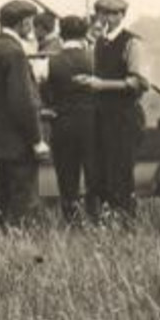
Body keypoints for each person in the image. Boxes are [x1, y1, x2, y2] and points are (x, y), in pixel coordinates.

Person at [0, 0, 49, 228]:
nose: (32, 27)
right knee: (24, 198)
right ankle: (18, 249)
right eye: (31, 23)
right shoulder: (14, 52)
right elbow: (23, 102)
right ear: (24, 23)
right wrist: (37, 140)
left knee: (1, 194)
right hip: (18, 141)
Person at [77, 0, 149, 219]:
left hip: (124, 118)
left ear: (121, 15)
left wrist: (101, 85)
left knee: (121, 172)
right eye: (102, 13)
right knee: (100, 172)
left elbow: (139, 82)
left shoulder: (132, 43)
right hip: (100, 117)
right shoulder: (98, 43)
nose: (106, 18)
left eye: (111, 13)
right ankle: (107, 221)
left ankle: (125, 221)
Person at [42, 15, 99, 222]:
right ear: (85, 34)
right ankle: (96, 218)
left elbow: (44, 93)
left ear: (60, 34)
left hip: (63, 124)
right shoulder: (96, 58)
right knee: (94, 174)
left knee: (67, 177)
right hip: (92, 125)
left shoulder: (50, 61)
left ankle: (72, 221)